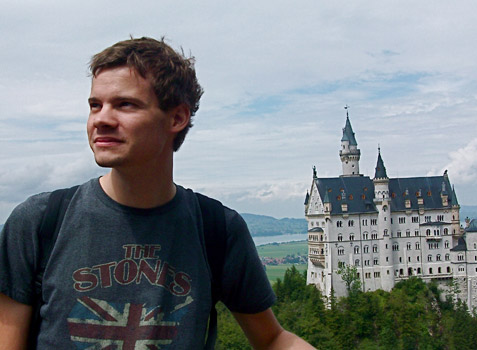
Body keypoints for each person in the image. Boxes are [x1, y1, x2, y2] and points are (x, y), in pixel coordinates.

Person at [0, 37, 314, 349]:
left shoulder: (217, 229)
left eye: (125, 104)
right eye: (95, 105)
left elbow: (273, 339)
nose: (101, 119)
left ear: (177, 118)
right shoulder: (40, 221)